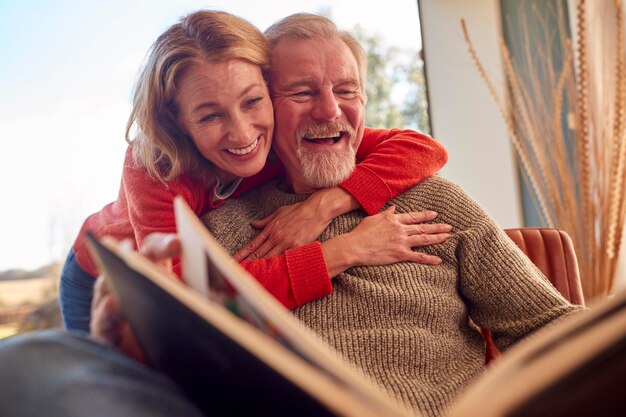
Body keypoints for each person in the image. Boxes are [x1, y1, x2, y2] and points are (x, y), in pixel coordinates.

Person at [59, 9, 449, 333]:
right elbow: (199, 294)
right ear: (176, 121)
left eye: (252, 102)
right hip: (100, 274)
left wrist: (324, 206)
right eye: (210, 115)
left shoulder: (286, 133)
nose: (243, 135)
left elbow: (421, 147)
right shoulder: (154, 168)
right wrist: (343, 251)